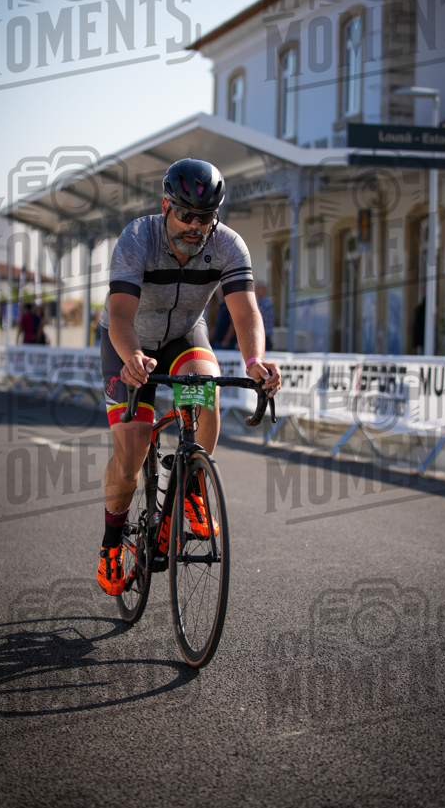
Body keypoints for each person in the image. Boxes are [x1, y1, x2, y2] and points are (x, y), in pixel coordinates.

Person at [97, 158, 282, 595]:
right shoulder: (137, 239)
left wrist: (255, 361)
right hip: (127, 338)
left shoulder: (229, 246)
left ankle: (192, 489)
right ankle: (110, 544)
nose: (196, 226)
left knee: (204, 388)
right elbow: (120, 312)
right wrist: (133, 356)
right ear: (166, 206)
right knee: (133, 446)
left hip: (184, 333)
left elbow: (244, 310)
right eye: (187, 215)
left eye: (206, 217)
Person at [255, 281, 274, 351]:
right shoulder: (259, 302)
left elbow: (254, 316)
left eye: (258, 288)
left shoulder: (266, 304)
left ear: (264, 290)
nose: (256, 291)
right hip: (260, 338)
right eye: (256, 288)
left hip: (264, 338)